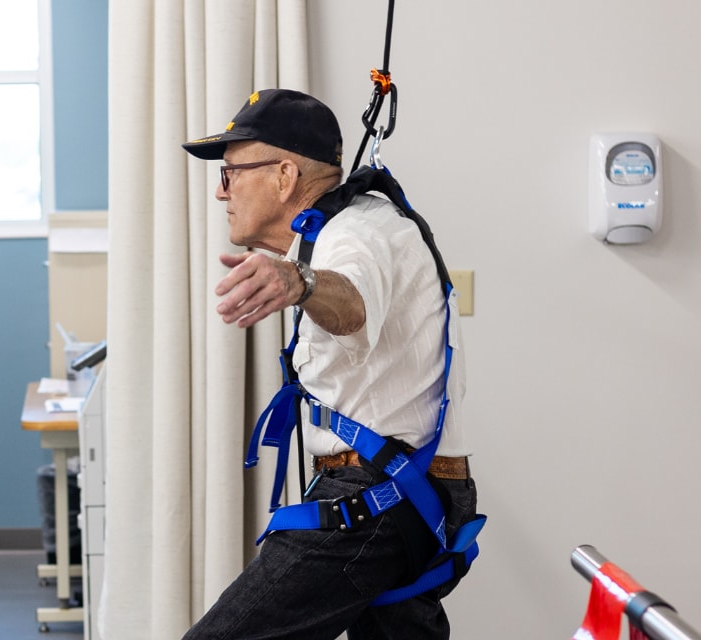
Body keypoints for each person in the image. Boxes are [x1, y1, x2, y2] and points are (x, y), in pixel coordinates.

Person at [180, 89, 479, 640]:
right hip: (408, 494)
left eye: (231, 173)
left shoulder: (356, 234)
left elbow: (352, 304)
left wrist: (300, 282)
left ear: (284, 175)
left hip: (377, 498)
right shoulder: (345, 229)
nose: (221, 191)